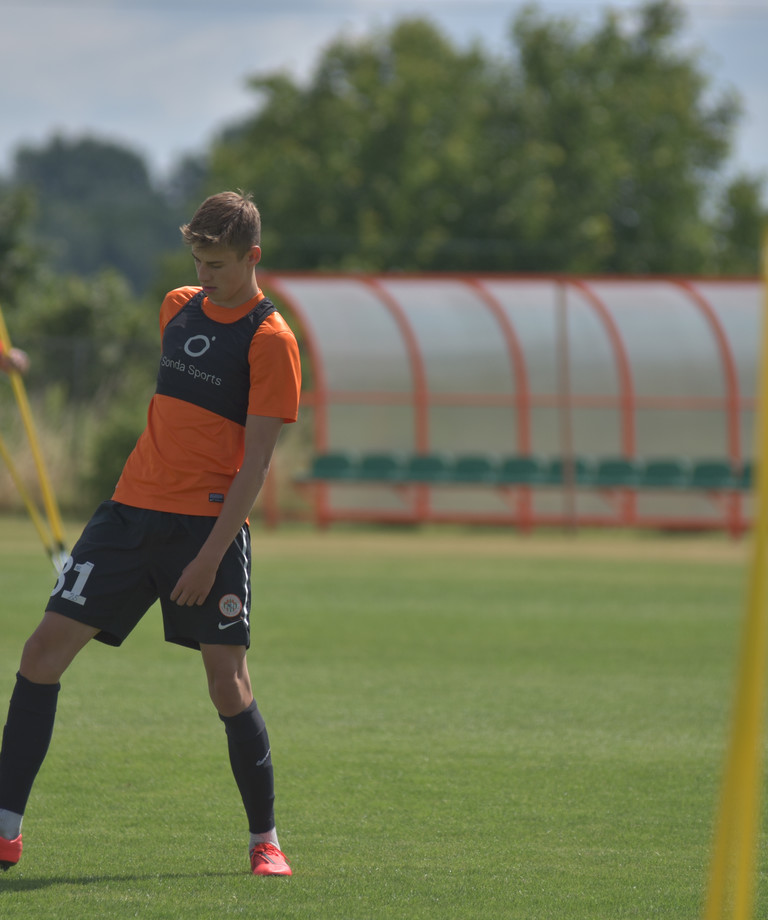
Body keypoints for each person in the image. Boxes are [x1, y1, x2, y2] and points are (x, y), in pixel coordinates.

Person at [0, 191, 301, 877]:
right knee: (41, 652)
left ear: (252, 257)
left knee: (227, 684)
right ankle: (5, 828)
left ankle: (266, 842)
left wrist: (209, 555)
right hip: (127, 514)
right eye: (198, 261)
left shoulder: (272, 343)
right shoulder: (176, 305)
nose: (206, 275)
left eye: (219, 264)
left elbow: (255, 465)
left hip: (208, 528)